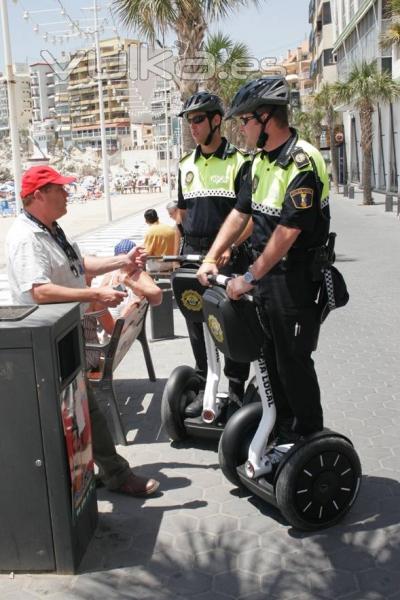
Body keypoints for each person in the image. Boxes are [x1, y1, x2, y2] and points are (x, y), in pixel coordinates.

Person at [197, 76, 331, 470]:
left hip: (294, 281)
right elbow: (242, 215)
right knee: (269, 359)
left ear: (267, 117)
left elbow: (287, 233)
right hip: (265, 281)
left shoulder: (304, 161)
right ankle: (284, 431)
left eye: (246, 120)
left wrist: (248, 278)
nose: (241, 127)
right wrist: (213, 256)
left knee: (293, 361)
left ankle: (309, 439)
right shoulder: (259, 162)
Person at [6, 165, 160, 497]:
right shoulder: (26, 238)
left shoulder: (50, 229)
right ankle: (102, 477)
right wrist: (94, 294)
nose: (67, 193)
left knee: (86, 411)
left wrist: (121, 261)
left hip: (65, 336)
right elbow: (39, 291)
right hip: (46, 344)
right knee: (77, 414)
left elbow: (81, 264)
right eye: (59, 189)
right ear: (38, 196)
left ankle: (103, 476)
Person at [177, 91, 251, 417]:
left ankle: (235, 392)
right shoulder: (184, 165)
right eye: (189, 120)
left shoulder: (240, 162)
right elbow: (182, 212)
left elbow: (249, 217)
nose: (192, 127)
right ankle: (206, 383)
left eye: (198, 120)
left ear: (216, 120)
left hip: (228, 256)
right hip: (193, 253)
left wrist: (229, 247)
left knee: (230, 323)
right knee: (196, 323)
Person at [143, 208, 176, 273]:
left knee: (142, 261)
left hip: (161, 264)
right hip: (174, 261)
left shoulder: (150, 232)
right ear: (157, 217)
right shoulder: (169, 228)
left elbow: (147, 252)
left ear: (146, 221)